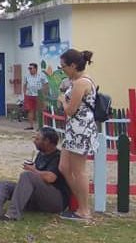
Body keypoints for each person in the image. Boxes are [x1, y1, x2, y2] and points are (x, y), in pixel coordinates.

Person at [0, 127, 69, 221]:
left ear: (47, 141)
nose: (34, 141)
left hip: (56, 201)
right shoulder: (41, 154)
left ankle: (12, 215)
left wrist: (33, 170)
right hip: (38, 198)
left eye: (37, 139)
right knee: (3, 184)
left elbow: (50, 178)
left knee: (27, 175)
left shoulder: (58, 157)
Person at [56, 49, 98, 222]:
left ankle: (84, 210)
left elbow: (71, 110)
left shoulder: (81, 83)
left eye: (63, 66)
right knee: (64, 167)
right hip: (73, 130)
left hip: (80, 130)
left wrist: (62, 100)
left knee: (79, 171)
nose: (62, 70)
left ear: (73, 65)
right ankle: (81, 203)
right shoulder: (76, 81)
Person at [23, 63, 48, 130]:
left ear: (35, 69)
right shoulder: (26, 76)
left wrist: (44, 93)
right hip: (29, 95)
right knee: (30, 110)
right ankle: (31, 126)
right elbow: (25, 85)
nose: (30, 70)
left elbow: (46, 84)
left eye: (31, 68)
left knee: (39, 111)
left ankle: (40, 126)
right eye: (29, 68)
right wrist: (25, 94)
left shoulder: (41, 75)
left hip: (38, 95)